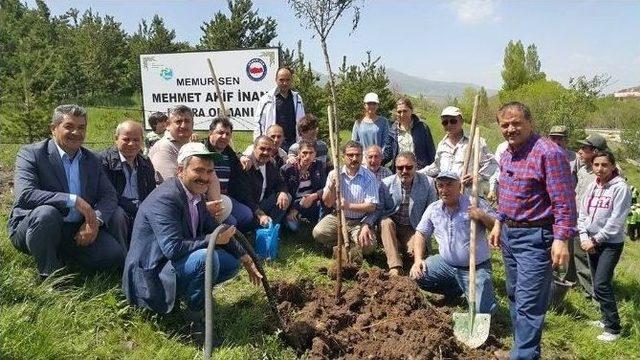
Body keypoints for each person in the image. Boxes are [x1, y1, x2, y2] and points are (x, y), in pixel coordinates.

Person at [122, 142, 262, 325]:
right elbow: (173, 248)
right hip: (152, 272)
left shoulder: (194, 194)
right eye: (199, 170)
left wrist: (245, 257)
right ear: (181, 170)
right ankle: (194, 318)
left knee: (231, 262)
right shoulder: (166, 199)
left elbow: (215, 228)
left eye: (210, 171)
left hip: (170, 263)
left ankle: (192, 294)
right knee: (205, 259)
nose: (205, 177)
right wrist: (213, 240)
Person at [492, 102, 577, 360]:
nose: (510, 129)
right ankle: (525, 351)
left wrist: (561, 238)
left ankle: (521, 355)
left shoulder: (549, 154)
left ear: (530, 122)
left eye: (516, 123)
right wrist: (498, 221)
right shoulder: (507, 153)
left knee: (529, 304)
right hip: (509, 235)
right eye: (505, 124)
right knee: (515, 297)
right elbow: (506, 193)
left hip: (536, 238)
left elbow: (564, 200)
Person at [8, 104, 126, 278]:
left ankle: (64, 256)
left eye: (81, 127)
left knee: (112, 255)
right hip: (35, 225)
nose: (76, 133)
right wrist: (74, 200)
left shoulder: (91, 159)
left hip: (74, 229)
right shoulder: (31, 154)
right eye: (69, 127)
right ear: (54, 129)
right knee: (46, 214)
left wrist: (94, 221)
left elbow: (108, 196)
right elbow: (25, 194)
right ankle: (50, 274)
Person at [409, 171, 497, 314]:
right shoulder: (434, 209)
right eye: (440, 186)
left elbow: (496, 227)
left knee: (483, 311)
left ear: (459, 186)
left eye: (449, 185)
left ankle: (480, 293)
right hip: (447, 265)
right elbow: (420, 233)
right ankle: (456, 289)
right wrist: (418, 259)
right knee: (419, 275)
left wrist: (482, 216)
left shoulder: (475, 203)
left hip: (475, 267)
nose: (444, 190)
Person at [577, 150, 630, 342]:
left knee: (601, 284)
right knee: (597, 282)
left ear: (613, 166)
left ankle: (614, 328)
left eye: (604, 165)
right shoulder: (592, 186)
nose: (599, 169)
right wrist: (584, 236)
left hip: (609, 243)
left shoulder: (620, 187)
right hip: (590, 241)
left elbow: (616, 221)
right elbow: (582, 214)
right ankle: (605, 318)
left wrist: (595, 239)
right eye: (596, 165)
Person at [148, 105, 226, 222]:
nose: (183, 125)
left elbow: (211, 175)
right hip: (173, 207)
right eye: (178, 121)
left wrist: (216, 205)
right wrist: (203, 207)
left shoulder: (193, 145)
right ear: (168, 125)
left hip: (196, 199)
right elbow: (173, 185)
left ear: (193, 124)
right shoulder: (164, 147)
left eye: (187, 121)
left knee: (229, 209)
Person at [313, 140, 379, 259]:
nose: (354, 158)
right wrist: (332, 184)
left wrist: (348, 205)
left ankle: (351, 243)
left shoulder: (369, 177)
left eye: (358, 155)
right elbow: (327, 202)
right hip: (337, 217)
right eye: (350, 155)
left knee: (369, 247)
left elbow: (371, 206)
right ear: (343, 157)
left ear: (361, 156)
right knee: (318, 232)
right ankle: (344, 243)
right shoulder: (334, 174)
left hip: (359, 221)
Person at [100, 120, 156, 248]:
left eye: (136, 140)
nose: (131, 144)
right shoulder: (104, 162)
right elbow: (109, 195)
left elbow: (152, 193)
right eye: (126, 139)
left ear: (142, 141)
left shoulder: (146, 163)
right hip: (116, 208)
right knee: (118, 215)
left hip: (140, 208)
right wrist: (137, 207)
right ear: (116, 139)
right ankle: (123, 260)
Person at [379, 152, 437, 275]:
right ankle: (395, 266)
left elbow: (433, 212)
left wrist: (424, 235)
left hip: (414, 228)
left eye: (409, 167)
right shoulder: (386, 183)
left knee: (414, 253)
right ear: (395, 168)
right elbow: (380, 210)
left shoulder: (429, 183)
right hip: (392, 226)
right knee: (385, 222)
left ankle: (404, 250)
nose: (404, 171)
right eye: (400, 168)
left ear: (416, 166)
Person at [421, 106, 496, 194]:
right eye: (445, 122)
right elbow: (437, 167)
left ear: (461, 121)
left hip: (469, 196)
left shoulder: (475, 142)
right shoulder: (442, 145)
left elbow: (492, 164)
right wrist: (416, 172)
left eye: (453, 121)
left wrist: (476, 176)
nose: (449, 125)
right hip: (447, 196)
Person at [572, 134, 610, 299]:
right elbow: (577, 193)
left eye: (584, 149)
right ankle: (589, 292)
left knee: (595, 260)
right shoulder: (583, 170)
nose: (580, 152)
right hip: (579, 219)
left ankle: (598, 296)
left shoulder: (608, 173)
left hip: (597, 223)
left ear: (595, 151)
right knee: (580, 258)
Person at [203, 117, 255, 232]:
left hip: (226, 197)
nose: (224, 137)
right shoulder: (202, 151)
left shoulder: (229, 154)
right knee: (232, 222)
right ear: (210, 133)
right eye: (220, 133)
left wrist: (242, 157)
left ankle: (233, 235)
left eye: (228, 134)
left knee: (247, 215)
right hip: (206, 199)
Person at [243, 136, 292, 228]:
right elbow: (244, 197)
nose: (265, 152)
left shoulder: (271, 163)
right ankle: (255, 227)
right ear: (254, 148)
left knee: (286, 197)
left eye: (269, 149)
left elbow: (280, 182)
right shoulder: (246, 165)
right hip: (248, 207)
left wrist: (282, 192)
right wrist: (259, 213)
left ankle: (269, 228)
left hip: (262, 203)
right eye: (262, 149)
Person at [253, 67, 305, 151]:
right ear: (276, 80)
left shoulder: (297, 99)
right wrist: (258, 143)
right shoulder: (266, 99)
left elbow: (303, 123)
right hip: (272, 144)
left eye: (288, 80)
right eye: (281, 80)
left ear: (291, 80)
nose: (285, 83)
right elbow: (259, 123)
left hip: (293, 144)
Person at [281, 140, 326, 232]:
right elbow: (284, 191)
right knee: (293, 228)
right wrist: (296, 208)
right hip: (293, 204)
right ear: (299, 153)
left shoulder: (318, 166)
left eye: (311, 153)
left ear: (315, 154)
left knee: (326, 201)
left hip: (312, 201)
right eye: (304, 153)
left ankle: (319, 224)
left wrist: (313, 196)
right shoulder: (288, 169)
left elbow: (325, 188)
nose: (308, 156)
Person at [383, 97, 436, 171]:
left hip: (420, 171)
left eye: (405, 111)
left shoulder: (422, 128)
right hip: (401, 171)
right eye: (399, 112)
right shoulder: (393, 130)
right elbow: (387, 154)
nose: (402, 114)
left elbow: (431, 152)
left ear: (411, 111)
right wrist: (374, 163)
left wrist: (432, 172)